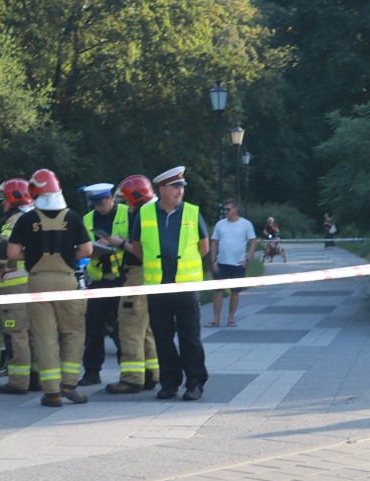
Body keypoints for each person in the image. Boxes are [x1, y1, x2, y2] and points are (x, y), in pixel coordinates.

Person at [8, 169, 92, 407]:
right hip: (66, 280)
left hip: (37, 281)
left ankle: (52, 392)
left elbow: (12, 253)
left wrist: (31, 255)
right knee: (74, 332)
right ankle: (70, 385)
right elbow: (87, 250)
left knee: (45, 337)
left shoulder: (26, 219)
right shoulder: (73, 217)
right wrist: (68, 256)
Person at [128, 166, 210, 401]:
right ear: (161, 189)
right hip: (157, 286)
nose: (180, 191)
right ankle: (169, 383)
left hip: (185, 287)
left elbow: (204, 247)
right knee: (162, 339)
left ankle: (195, 383)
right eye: (175, 187)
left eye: (182, 187)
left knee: (190, 338)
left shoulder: (193, 213)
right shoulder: (144, 213)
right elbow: (137, 247)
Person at [101, 175, 159, 394]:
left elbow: (139, 251)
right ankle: (152, 373)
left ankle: (132, 378)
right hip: (150, 276)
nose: (124, 205)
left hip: (137, 275)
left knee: (129, 327)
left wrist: (119, 243)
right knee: (145, 329)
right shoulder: (154, 212)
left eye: (126, 200)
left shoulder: (142, 215)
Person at [0, 179, 37, 394]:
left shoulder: (15, 220)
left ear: (13, 199)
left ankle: (18, 381)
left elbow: (3, 251)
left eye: (5, 200)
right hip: (36, 284)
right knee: (35, 333)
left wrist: (0, 266)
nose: (2, 205)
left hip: (15, 288)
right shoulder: (38, 217)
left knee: (17, 334)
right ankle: (36, 378)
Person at [77, 183, 127, 386]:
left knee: (122, 328)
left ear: (110, 199)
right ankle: (91, 373)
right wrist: (95, 249)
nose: (97, 207)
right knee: (93, 327)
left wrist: (118, 241)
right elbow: (83, 246)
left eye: (100, 202)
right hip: (98, 280)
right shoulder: (88, 218)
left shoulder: (127, 213)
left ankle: (129, 372)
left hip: (121, 278)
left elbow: (137, 240)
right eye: (94, 204)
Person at [207, 199, 256, 328]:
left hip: (238, 263)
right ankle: (216, 319)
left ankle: (231, 318)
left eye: (228, 209)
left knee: (235, 291)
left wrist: (247, 260)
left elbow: (253, 242)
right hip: (221, 262)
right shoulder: (220, 225)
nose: (225, 212)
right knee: (218, 291)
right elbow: (214, 242)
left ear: (235, 209)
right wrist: (213, 260)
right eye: (224, 209)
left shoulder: (246, 224)